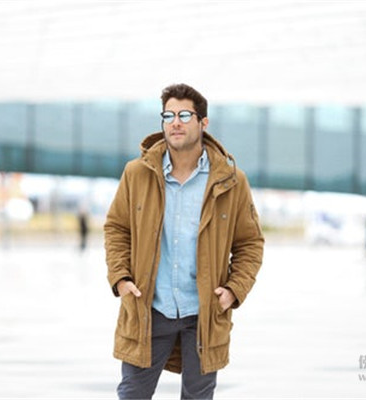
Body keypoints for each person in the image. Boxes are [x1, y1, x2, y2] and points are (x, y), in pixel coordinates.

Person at [104, 83, 264, 399]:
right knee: (132, 394)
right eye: (168, 115)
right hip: (148, 308)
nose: (175, 122)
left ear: (203, 122)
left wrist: (234, 290)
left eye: (184, 115)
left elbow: (250, 243)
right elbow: (117, 229)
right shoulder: (137, 173)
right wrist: (121, 278)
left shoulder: (231, 181)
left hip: (204, 313)